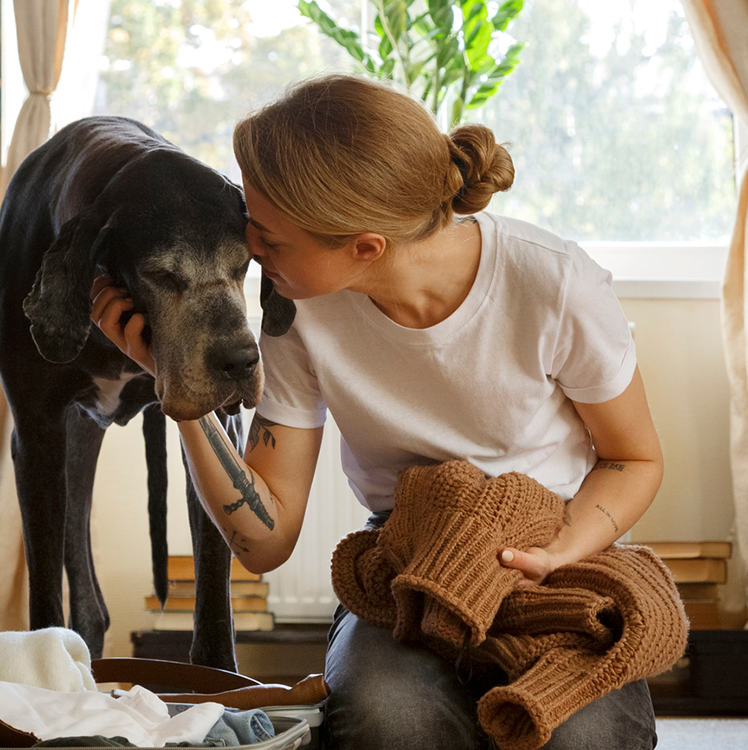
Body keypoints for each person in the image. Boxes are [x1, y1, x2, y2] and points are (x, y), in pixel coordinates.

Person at [91, 74, 663, 749]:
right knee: (386, 719)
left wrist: (557, 549)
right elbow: (265, 543)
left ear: (364, 247)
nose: (252, 249)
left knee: (580, 736)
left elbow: (634, 458)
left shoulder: (553, 283)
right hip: (405, 563)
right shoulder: (295, 311)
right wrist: (177, 386)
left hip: (556, 552)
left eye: (269, 241)